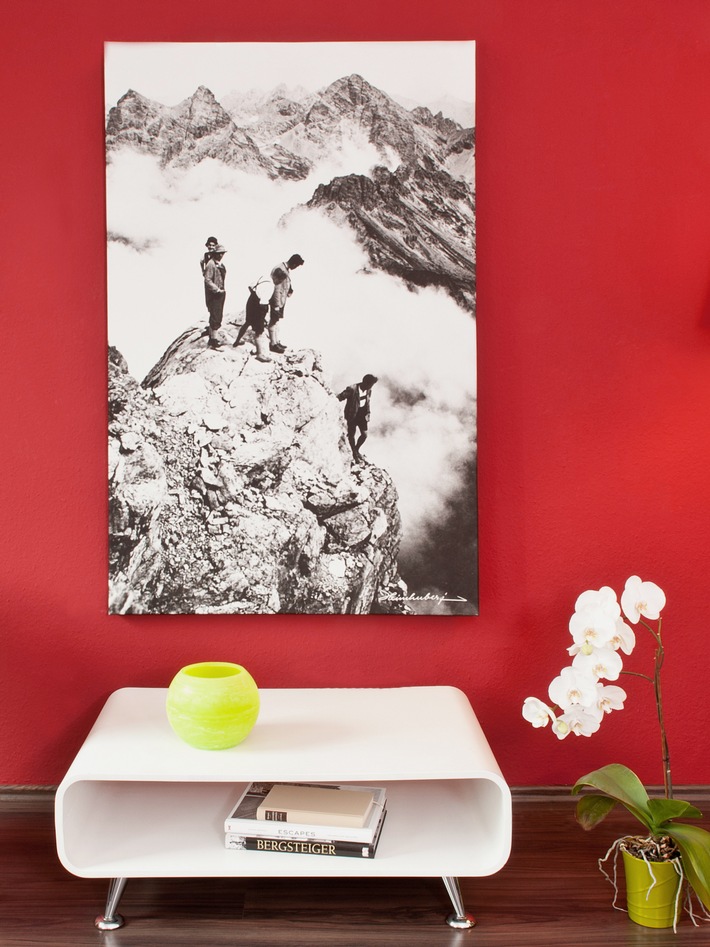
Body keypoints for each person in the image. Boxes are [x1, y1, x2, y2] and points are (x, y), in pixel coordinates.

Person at [337, 374, 378, 463]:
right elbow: (341, 397)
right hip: (352, 414)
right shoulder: (352, 389)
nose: (370, 387)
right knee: (351, 435)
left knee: (364, 435)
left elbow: (367, 401)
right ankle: (354, 454)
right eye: (370, 385)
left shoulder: (369, 390)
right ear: (365, 382)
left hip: (362, 414)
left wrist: (368, 412)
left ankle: (356, 449)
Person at [268, 253, 304, 353]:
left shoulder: (285, 268)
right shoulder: (281, 270)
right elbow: (276, 288)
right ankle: (273, 344)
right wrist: (276, 305)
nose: (296, 268)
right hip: (277, 300)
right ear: (294, 264)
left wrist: (290, 289)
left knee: (276, 321)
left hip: (281, 299)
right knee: (273, 321)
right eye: (296, 266)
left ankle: (276, 341)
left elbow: (285, 282)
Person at [233, 281, 272, 362]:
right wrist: (263, 316)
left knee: (248, 322)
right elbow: (263, 303)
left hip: (251, 300)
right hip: (259, 305)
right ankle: (260, 354)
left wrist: (254, 295)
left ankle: (237, 341)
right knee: (259, 330)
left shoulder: (263, 278)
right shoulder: (270, 287)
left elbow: (250, 286)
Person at [203, 244, 227, 349]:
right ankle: (213, 340)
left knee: (217, 315)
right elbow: (207, 279)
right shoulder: (211, 264)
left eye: (222, 253)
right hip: (215, 294)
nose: (221, 255)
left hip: (220, 292)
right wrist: (216, 289)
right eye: (219, 253)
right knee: (215, 316)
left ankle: (212, 338)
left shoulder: (218, 264)